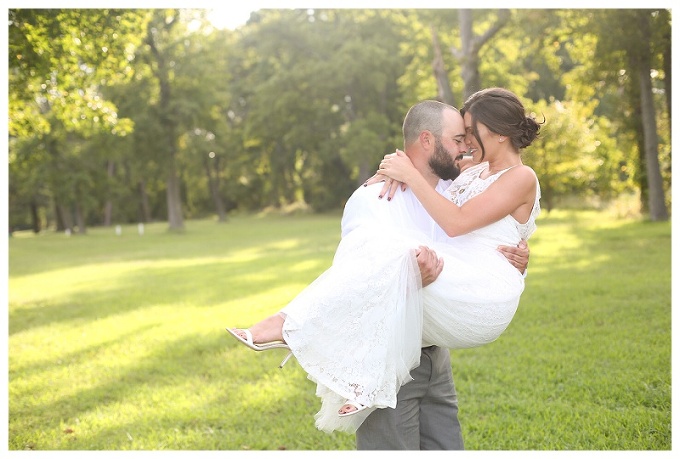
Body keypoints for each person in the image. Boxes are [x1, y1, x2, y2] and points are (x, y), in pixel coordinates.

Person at [226, 89, 541, 435]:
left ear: (498, 132)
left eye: (470, 131)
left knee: (399, 252)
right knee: (389, 251)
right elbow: (435, 167)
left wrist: (409, 174)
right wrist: (397, 169)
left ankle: (289, 326)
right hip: (447, 288)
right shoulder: (468, 171)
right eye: (460, 134)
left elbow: (458, 222)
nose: (465, 142)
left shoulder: (521, 176)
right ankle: (359, 374)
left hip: (485, 290)